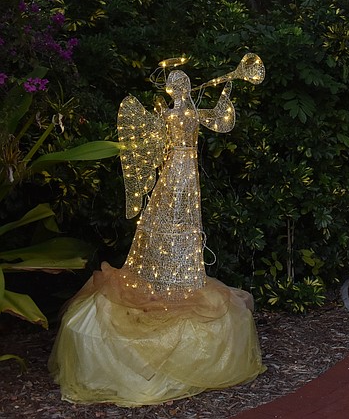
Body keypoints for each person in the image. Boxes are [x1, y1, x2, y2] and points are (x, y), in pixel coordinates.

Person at [49, 61, 265, 406]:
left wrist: (227, 86)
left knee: (178, 223)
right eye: (179, 86)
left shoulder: (180, 114)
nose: (182, 90)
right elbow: (219, 119)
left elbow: (221, 119)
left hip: (179, 170)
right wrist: (225, 89)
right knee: (171, 222)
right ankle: (168, 277)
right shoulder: (181, 115)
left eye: (180, 86)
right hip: (179, 170)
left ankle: (177, 276)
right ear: (178, 89)